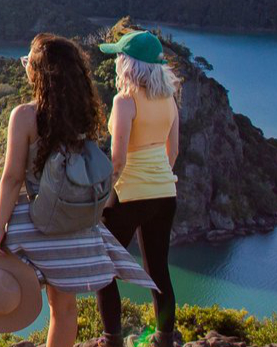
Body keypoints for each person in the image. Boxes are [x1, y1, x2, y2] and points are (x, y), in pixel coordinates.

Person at [0, 33, 158, 347]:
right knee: (64, 309)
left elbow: (12, 178)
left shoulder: (25, 116)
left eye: (28, 61)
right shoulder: (84, 115)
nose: (24, 65)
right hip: (75, 227)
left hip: (32, 223)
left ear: (40, 74)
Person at [95, 30, 183, 347]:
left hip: (130, 192)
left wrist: (102, 197)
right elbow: (172, 152)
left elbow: (117, 160)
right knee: (158, 269)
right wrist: (158, 180)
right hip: (165, 193)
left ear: (129, 64)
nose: (117, 61)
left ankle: (112, 339)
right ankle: (164, 338)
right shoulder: (169, 99)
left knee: (104, 267)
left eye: (120, 56)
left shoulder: (125, 101)